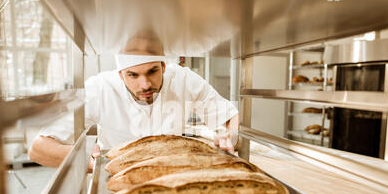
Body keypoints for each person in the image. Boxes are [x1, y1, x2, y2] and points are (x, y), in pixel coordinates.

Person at [29, 31, 239, 171]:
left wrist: (226, 134)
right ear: (120, 75)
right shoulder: (99, 89)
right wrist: (88, 159)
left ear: (164, 67)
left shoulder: (184, 79)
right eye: (133, 75)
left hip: (172, 174)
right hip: (119, 179)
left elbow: (227, 117)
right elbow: (38, 148)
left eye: (152, 71)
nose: (145, 84)